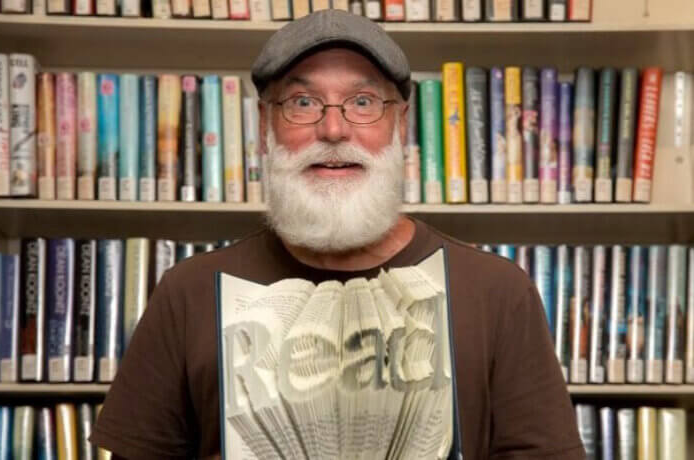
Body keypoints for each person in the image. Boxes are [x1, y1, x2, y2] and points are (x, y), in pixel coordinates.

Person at [90, 10, 585, 460]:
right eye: (303, 102)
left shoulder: (496, 292)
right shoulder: (188, 293)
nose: (332, 129)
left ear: (400, 124)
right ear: (265, 124)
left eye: (363, 101)